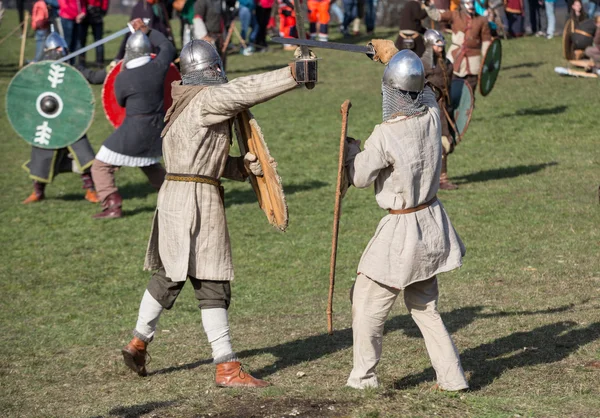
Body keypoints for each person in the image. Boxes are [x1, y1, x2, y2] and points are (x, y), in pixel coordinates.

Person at [121, 39, 318, 385]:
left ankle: (138, 341)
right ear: (210, 71)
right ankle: (226, 367)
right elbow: (244, 90)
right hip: (197, 202)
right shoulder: (206, 99)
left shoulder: (179, 105)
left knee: (170, 274)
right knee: (212, 281)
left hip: (175, 196)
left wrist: (240, 167)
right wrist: (293, 75)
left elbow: (197, 158)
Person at [343, 46, 468, 391]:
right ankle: (453, 378)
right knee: (425, 309)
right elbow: (424, 87)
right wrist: (396, 56)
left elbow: (359, 177)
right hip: (431, 223)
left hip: (401, 233)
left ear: (391, 93)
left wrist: (352, 151)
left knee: (367, 303)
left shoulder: (385, 134)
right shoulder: (430, 115)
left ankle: (363, 378)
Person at [91, 19, 176, 219]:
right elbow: (167, 46)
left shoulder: (123, 78)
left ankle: (113, 205)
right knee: (148, 162)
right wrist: (148, 31)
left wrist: (122, 69)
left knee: (101, 165)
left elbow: (120, 102)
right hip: (158, 129)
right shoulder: (158, 67)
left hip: (135, 128)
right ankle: (174, 198)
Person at [22, 32, 105, 204]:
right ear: (48, 51)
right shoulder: (40, 71)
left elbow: (95, 77)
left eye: (61, 48)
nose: (59, 51)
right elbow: (27, 94)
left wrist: (111, 69)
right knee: (41, 156)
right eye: (56, 49)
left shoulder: (74, 68)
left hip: (70, 121)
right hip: (48, 121)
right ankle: (38, 192)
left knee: (84, 155)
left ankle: (90, 190)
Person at [425, 0, 492, 92]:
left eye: (472, 3)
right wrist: (429, 5)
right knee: (451, 87)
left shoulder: (481, 20)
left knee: (469, 92)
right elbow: (437, 16)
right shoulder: (455, 15)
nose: (471, 6)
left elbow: (486, 41)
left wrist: (487, 59)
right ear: (463, 5)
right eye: (468, 3)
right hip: (455, 56)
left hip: (473, 61)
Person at [422, 29, 459, 190]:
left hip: (443, 107)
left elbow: (450, 82)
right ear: (430, 45)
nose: (441, 47)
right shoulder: (422, 63)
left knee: (446, 142)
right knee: (435, 143)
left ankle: (440, 178)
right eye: (438, 45)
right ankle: (438, 179)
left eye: (442, 44)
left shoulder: (446, 63)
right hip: (428, 108)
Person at [79, 0, 108, 66]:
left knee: (97, 40)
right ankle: (83, 61)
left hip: (94, 11)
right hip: (86, 11)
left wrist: (103, 10)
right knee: (83, 40)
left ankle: (99, 61)